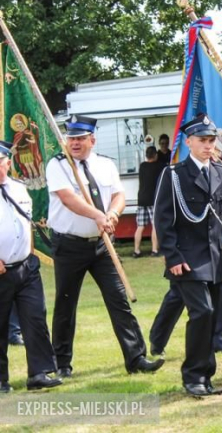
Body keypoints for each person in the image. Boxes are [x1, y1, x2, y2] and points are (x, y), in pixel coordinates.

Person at [47, 115, 163, 378]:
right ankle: (61, 363)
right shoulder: (58, 165)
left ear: (92, 139)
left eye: (80, 138)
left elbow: (119, 195)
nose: (74, 143)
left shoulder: (105, 164)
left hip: (102, 246)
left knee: (118, 299)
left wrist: (111, 214)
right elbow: (67, 199)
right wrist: (97, 215)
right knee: (66, 304)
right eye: (71, 138)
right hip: (69, 244)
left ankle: (136, 358)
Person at [153, 113, 222, 397]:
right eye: (202, 141)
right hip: (186, 259)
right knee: (202, 312)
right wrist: (172, 257)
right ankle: (193, 376)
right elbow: (163, 219)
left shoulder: (221, 172)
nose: (209, 146)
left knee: (212, 318)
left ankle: (206, 376)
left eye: (211, 140)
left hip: (213, 258)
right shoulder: (173, 174)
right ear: (189, 142)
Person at [0, 140, 61, 392]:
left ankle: (39, 372)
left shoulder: (19, 188)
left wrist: (31, 254)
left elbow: (26, 224)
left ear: (8, 162)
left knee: (35, 319)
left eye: (1, 163)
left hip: (25, 266)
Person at [148, 281, 222, 356]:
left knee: (218, 290)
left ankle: (216, 340)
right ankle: (158, 341)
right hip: (186, 264)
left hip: (214, 263)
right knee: (178, 294)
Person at [133, 146, 165, 258]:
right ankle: (154, 250)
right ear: (155, 155)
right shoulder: (159, 166)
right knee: (155, 225)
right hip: (153, 200)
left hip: (141, 199)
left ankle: (136, 250)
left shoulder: (142, 166)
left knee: (140, 226)